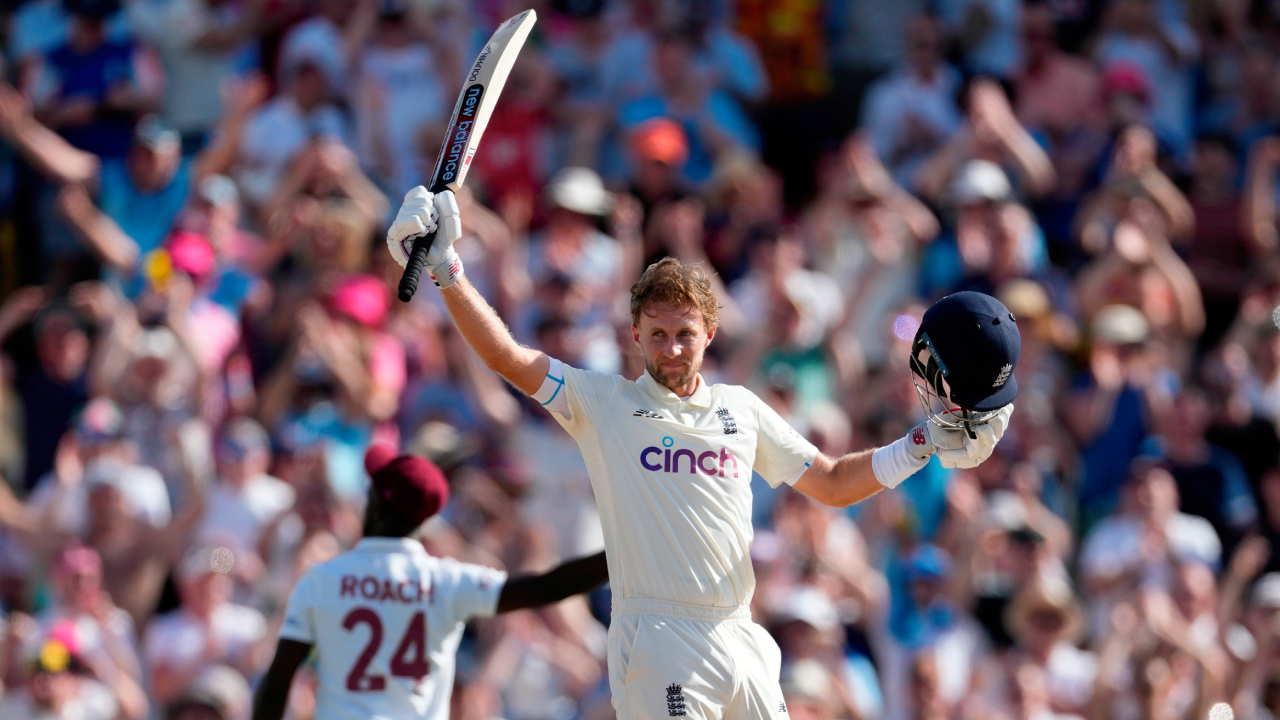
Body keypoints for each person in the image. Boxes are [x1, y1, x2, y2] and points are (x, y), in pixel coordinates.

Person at [385, 187, 1017, 719]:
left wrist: (918, 446)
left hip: (739, 631)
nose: (672, 349)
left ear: (709, 334)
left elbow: (829, 483)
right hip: (657, 635)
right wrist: (448, 269)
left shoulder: (740, 410)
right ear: (635, 336)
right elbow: (505, 357)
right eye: (656, 335)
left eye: (685, 334)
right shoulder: (599, 402)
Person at [250, 445, 608, 720]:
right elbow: (548, 586)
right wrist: (628, 553)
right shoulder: (446, 579)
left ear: (376, 505)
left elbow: (278, 678)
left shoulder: (321, 579)